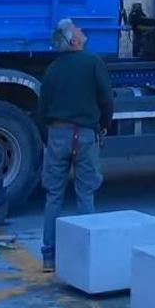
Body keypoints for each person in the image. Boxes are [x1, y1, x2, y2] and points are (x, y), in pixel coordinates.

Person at [37, 18, 114, 273]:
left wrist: (48, 136)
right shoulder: (93, 63)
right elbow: (106, 99)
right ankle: (86, 257)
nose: (83, 31)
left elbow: (43, 108)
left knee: (54, 197)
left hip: (57, 134)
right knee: (85, 194)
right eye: (79, 29)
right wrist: (103, 124)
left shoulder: (52, 69)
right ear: (74, 40)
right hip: (84, 136)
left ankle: (49, 256)